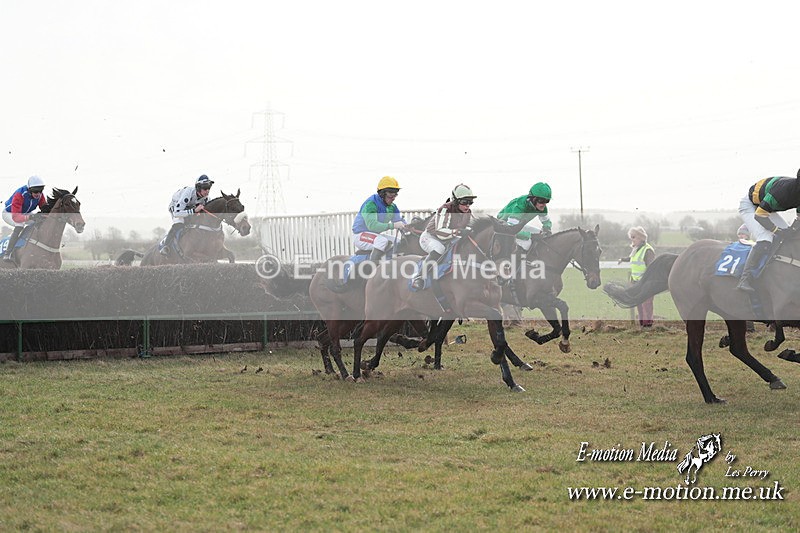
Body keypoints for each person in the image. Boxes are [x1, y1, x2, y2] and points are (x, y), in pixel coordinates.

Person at [736, 172, 800, 292]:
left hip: (767, 208)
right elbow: (759, 216)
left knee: (789, 237)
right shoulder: (783, 191)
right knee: (765, 239)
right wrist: (777, 230)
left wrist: (791, 231)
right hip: (751, 206)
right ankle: (745, 278)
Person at [411, 183, 476, 290]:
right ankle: (419, 277)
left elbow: (471, 227)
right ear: (455, 201)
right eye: (464, 202)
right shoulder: (445, 209)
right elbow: (440, 231)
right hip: (430, 237)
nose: (467, 205)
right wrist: (459, 232)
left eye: (470, 202)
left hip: (449, 238)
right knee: (439, 249)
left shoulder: (467, 212)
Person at [351, 176, 406, 262]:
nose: (393, 197)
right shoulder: (371, 204)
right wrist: (393, 225)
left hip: (374, 235)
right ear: (382, 193)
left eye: (395, 194)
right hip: (360, 235)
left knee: (398, 243)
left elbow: (399, 221)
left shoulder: (392, 206)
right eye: (391, 194)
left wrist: (409, 226)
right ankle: (372, 269)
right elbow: (372, 226)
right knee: (381, 242)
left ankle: (387, 264)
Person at [161, 174, 214, 255]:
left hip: (190, 208)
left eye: (209, 188)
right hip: (176, 208)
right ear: (199, 188)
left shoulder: (206, 198)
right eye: (205, 188)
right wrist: (194, 211)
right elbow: (177, 213)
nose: (207, 191)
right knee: (179, 223)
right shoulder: (188, 193)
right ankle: (166, 246)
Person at [497, 182, 553, 251]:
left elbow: (546, 222)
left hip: (518, 225)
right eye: (541, 200)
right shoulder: (520, 207)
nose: (544, 204)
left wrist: (547, 230)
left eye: (547, 201)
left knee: (540, 233)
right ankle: (518, 260)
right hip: (505, 226)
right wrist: (530, 235)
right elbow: (511, 229)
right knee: (527, 243)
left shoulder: (541, 207)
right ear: (533, 199)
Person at [2, 176, 46, 261]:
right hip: (10, 213)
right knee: (20, 225)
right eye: (35, 191)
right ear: (30, 190)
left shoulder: (40, 195)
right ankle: (8, 253)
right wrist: (31, 217)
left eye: (40, 191)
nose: (38, 194)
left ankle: (27, 243)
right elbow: (16, 217)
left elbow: (45, 208)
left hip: (24, 212)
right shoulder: (20, 195)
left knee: (39, 222)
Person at [620, 226, 655, 327]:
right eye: (631, 237)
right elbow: (632, 259)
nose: (632, 239)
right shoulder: (636, 250)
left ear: (641, 238)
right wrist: (622, 259)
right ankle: (642, 325)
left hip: (646, 283)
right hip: (636, 283)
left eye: (634, 237)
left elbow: (651, 268)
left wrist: (646, 282)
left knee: (646, 305)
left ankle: (648, 326)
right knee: (639, 304)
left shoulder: (648, 250)